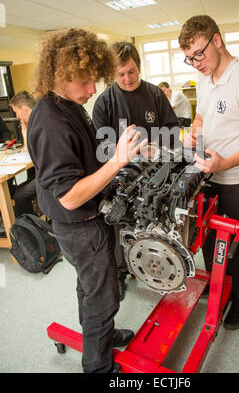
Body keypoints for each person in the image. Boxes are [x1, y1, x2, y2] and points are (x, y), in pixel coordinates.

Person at [27, 28, 147, 374]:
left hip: (90, 222)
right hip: (79, 225)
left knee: (90, 287)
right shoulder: (50, 121)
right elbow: (69, 196)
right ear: (59, 75)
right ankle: (98, 366)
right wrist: (118, 161)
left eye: (93, 80)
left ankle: (102, 336)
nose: (93, 89)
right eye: (84, 81)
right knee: (102, 297)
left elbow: (83, 159)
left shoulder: (68, 105)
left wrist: (117, 152)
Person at [178, 15, 239, 330]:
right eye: (189, 59)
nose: (196, 63)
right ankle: (219, 289)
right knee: (208, 239)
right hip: (209, 175)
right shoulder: (205, 81)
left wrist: (225, 163)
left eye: (199, 54)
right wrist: (194, 134)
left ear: (216, 40)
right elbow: (201, 120)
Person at [92, 41, 179, 300]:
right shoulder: (104, 102)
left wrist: (158, 144)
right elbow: (99, 147)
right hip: (121, 177)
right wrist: (124, 152)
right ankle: (120, 272)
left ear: (139, 67)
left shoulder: (154, 94)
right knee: (118, 225)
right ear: (112, 74)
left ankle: (163, 263)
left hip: (156, 173)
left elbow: (174, 131)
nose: (127, 79)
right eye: (120, 74)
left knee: (159, 219)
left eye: (131, 71)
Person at [9, 91, 37, 216]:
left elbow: (31, 153)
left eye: (16, 112)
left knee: (19, 195)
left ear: (24, 109)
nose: (17, 116)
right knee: (21, 186)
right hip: (43, 172)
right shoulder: (37, 118)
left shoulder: (38, 123)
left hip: (51, 177)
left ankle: (30, 229)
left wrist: (25, 132)